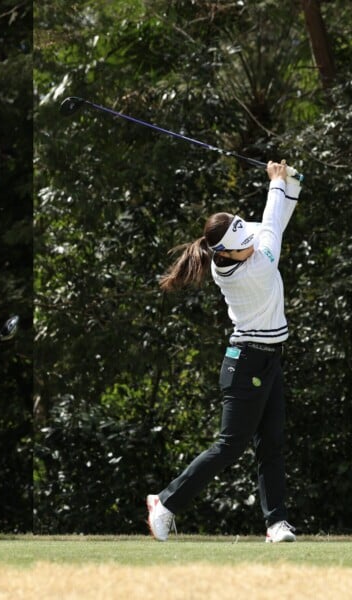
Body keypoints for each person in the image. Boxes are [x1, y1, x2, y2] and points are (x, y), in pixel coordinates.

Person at [147, 161, 301, 543]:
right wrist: (278, 184)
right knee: (230, 445)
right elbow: (268, 225)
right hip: (246, 361)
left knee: (272, 444)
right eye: (242, 245)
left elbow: (271, 224)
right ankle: (165, 503)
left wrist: (290, 184)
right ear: (226, 254)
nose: (249, 244)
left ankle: (276, 523)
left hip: (267, 359)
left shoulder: (237, 247)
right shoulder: (256, 266)